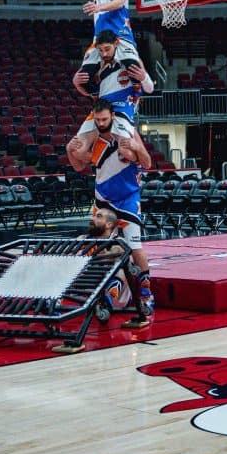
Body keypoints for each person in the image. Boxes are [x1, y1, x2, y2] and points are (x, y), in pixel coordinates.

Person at [67, 98, 154, 317]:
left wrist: (136, 147)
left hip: (127, 197)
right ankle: (105, 292)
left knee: (135, 247)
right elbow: (78, 166)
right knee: (100, 248)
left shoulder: (128, 133)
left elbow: (147, 163)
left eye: (104, 119)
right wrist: (70, 151)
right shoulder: (91, 138)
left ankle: (146, 294)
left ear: (112, 116)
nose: (101, 123)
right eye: (97, 120)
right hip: (103, 199)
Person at [70, 28, 154, 148]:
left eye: (107, 49)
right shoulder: (93, 63)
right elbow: (89, 93)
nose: (104, 54)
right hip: (103, 109)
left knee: (126, 149)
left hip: (124, 107)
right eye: (100, 50)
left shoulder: (130, 59)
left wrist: (144, 77)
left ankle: (138, 160)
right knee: (78, 149)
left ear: (116, 44)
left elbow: (150, 89)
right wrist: (76, 83)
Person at [78, 206, 131, 314]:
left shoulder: (118, 242)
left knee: (123, 266)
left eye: (98, 216)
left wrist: (108, 255)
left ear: (109, 225)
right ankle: (51, 302)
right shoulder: (83, 238)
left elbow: (118, 251)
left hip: (116, 296)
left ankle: (110, 297)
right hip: (90, 288)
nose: (92, 219)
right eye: (93, 216)